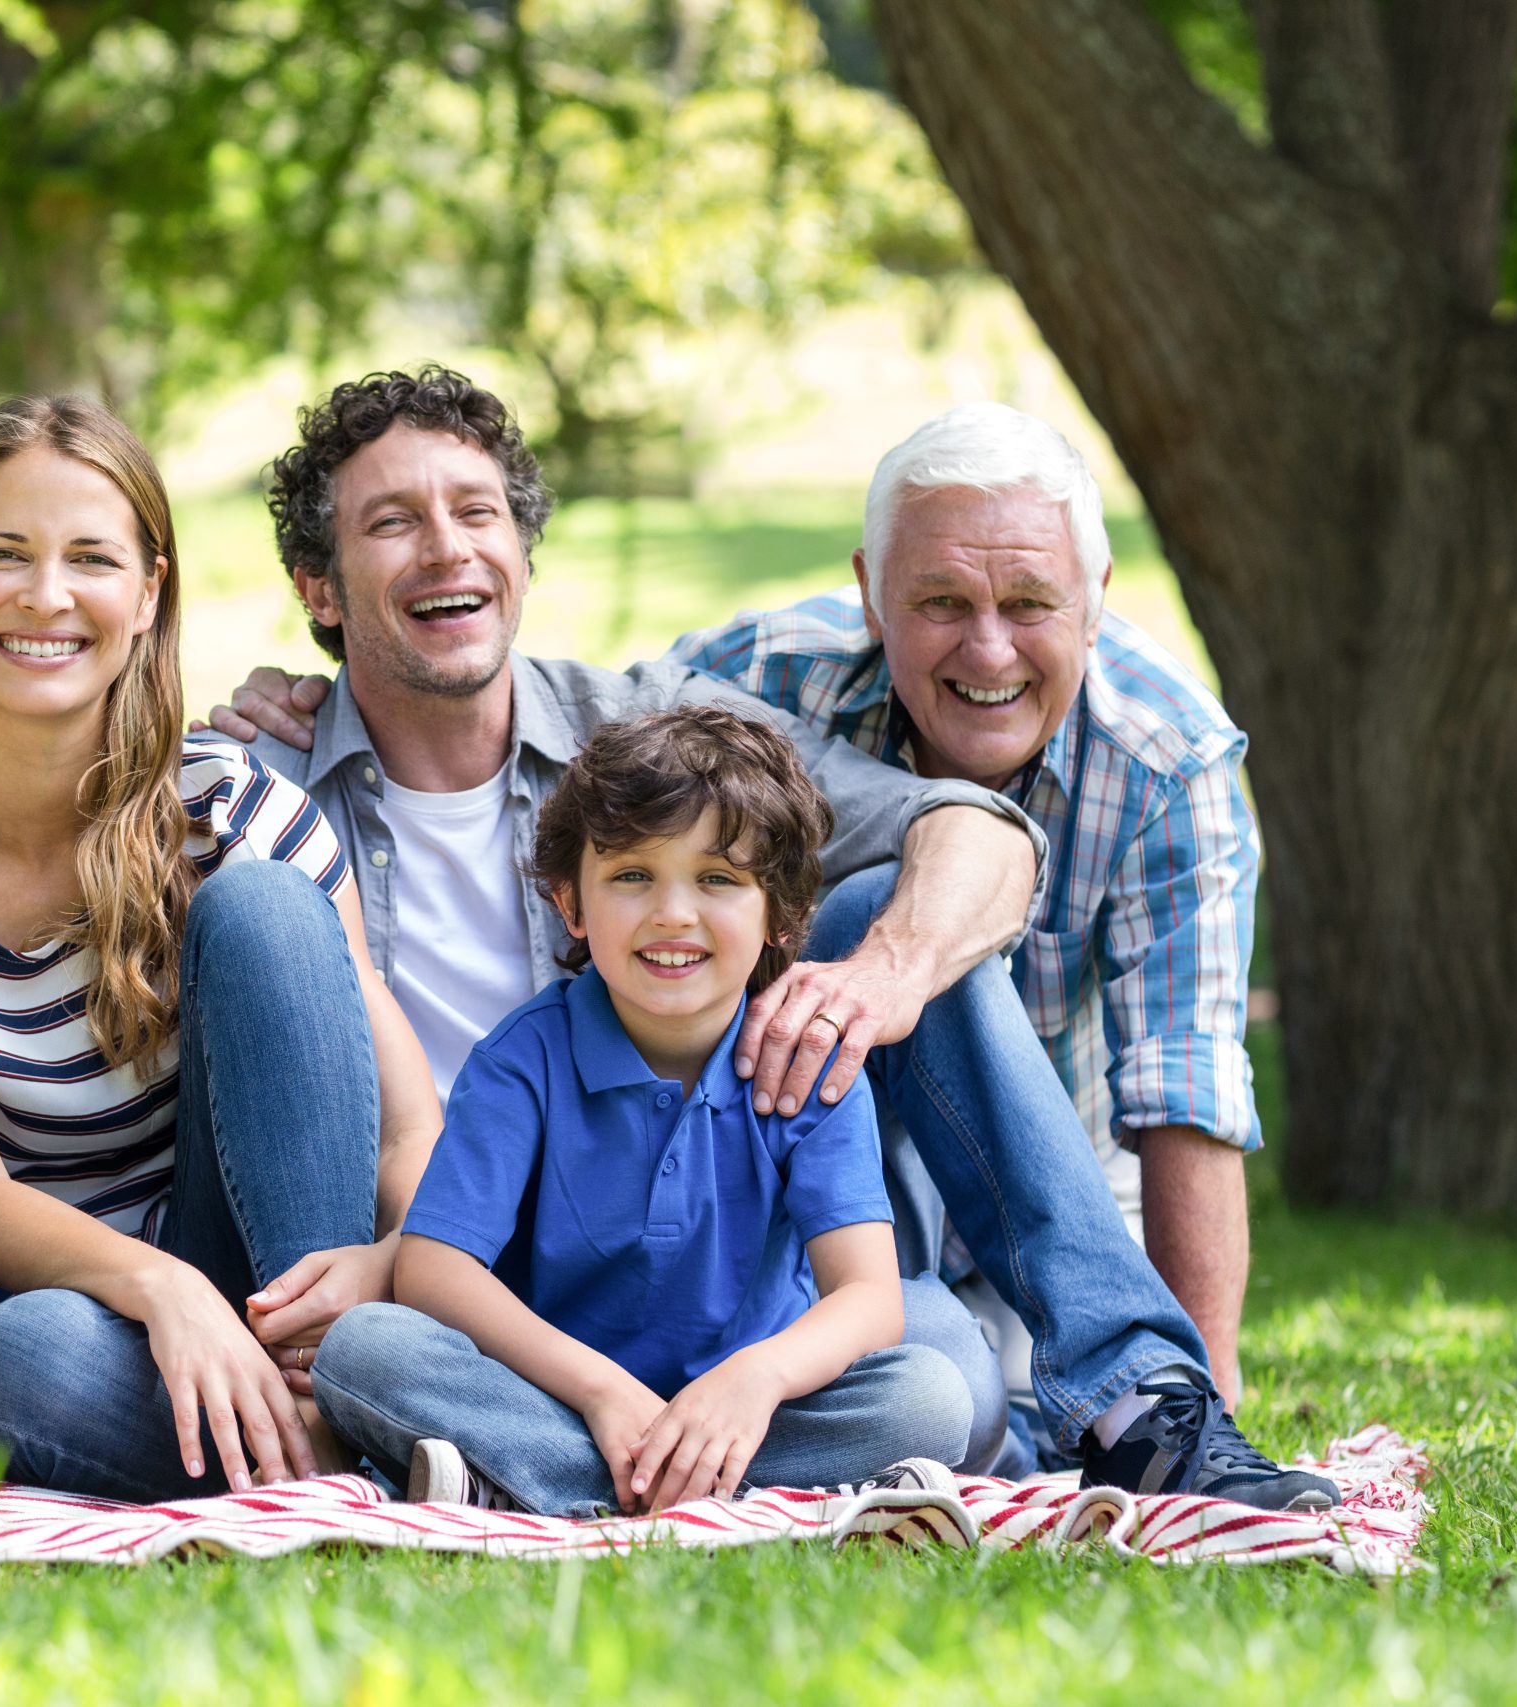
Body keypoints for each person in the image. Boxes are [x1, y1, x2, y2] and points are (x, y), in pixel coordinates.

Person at [209, 367, 1333, 1510]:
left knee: (940, 1367)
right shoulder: (260, 787)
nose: (447, 551)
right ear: (321, 585)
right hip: (459, 1286)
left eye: (476, 512)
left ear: (524, 553)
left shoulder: (642, 734)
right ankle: (590, 1464)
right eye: (392, 523)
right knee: (371, 1351)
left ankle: (1147, 1407)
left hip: (731, 1286)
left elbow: (971, 836)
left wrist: (881, 979)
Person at [0, 396, 443, 1503]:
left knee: (271, 909)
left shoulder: (237, 811)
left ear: (147, 595)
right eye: (2, 555)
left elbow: (408, 1128)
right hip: (20, 1315)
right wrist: (161, 1290)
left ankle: (320, 1397)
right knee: (33, 1353)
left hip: (245, 1290)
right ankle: (343, 1455)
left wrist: (381, 1265)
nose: (45, 596)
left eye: (90, 557)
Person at [669, 403, 1257, 1436]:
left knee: (1086, 1409)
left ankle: (1147, 1422)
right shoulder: (751, 684)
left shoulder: (1169, 765)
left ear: (1096, 600)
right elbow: (547, 753)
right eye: (939, 601)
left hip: (1047, 1187)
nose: (988, 651)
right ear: (868, 592)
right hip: (810, 1176)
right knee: (961, 1414)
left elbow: (1184, 1080)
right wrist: (321, 704)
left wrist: (1200, 1404)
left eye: (1031, 601)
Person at [316, 709, 974, 1514]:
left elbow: (867, 1297)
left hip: (751, 1407)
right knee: (363, 1350)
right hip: (563, 1397)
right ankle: (664, 1483)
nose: (673, 913)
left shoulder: (806, 1061)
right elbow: (433, 1270)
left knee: (932, 1391)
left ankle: (540, 1482)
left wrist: (754, 1379)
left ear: (781, 913)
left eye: (718, 879)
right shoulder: (525, 1059)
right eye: (632, 875)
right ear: (572, 902)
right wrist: (599, 1392)